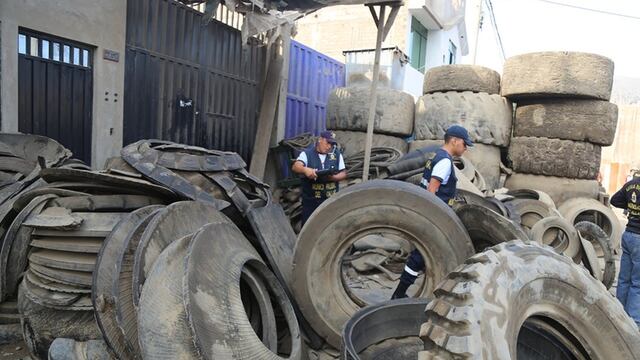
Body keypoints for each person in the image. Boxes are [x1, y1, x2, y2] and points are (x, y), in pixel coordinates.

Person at [391, 125, 473, 299]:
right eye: (465, 144)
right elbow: (432, 190)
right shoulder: (444, 161)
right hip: (433, 216)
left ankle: (403, 292)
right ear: (455, 141)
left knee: (421, 254)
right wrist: (432, 219)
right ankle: (399, 294)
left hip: (430, 213)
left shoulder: (437, 155)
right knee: (419, 256)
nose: (466, 148)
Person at [292, 131, 347, 226]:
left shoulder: (336, 154)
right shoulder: (307, 154)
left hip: (330, 200)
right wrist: (305, 170)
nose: (329, 146)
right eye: (327, 143)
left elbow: (344, 173)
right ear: (320, 140)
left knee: (330, 227)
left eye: (332, 144)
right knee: (309, 228)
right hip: (311, 201)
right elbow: (295, 166)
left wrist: (333, 177)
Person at [611, 177, 640, 327]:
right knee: (638, 284)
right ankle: (634, 322)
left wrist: (631, 206)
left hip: (628, 235)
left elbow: (614, 200)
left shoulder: (631, 184)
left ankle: (619, 316)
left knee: (624, 279)